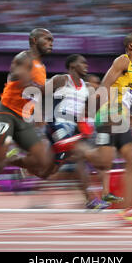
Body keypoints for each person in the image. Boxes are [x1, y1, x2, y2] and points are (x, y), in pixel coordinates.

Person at [0, 29, 55, 219]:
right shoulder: (24, 58)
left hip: (22, 118)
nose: (51, 43)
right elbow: (17, 76)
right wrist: (38, 85)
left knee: (42, 162)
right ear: (33, 40)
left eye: (52, 40)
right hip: (5, 113)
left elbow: (34, 94)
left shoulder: (41, 66)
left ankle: (11, 160)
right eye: (47, 39)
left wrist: (37, 112)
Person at [83, 32, 132, 223]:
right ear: (131, 46)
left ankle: (128, 208)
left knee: (131, 161)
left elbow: (124, 97)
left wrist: (128, 114)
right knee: (104, 161)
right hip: (108, 116)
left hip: (121, 119)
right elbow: (104, 86)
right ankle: (76, 149)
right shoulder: (122, 61)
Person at [44, 55, 110, 209]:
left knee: (47, 170)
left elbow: (93, 108)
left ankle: (16, 162)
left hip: (73, 128)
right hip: (57, 126)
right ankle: (91, 199)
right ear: (72, 65)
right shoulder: (61, 80)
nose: (86, 65)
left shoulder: (87, 87)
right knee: (88, 155)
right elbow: (41, 92)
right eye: (82, 63)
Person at [85, 74, 124, 204]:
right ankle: (95, 195)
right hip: (88, 130)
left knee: (105, 164)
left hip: (97, 129)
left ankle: (105, 193)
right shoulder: (86, 92)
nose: (97, 85)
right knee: (102, 161)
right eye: (94, 83)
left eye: (98, 83)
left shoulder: (102, 95)